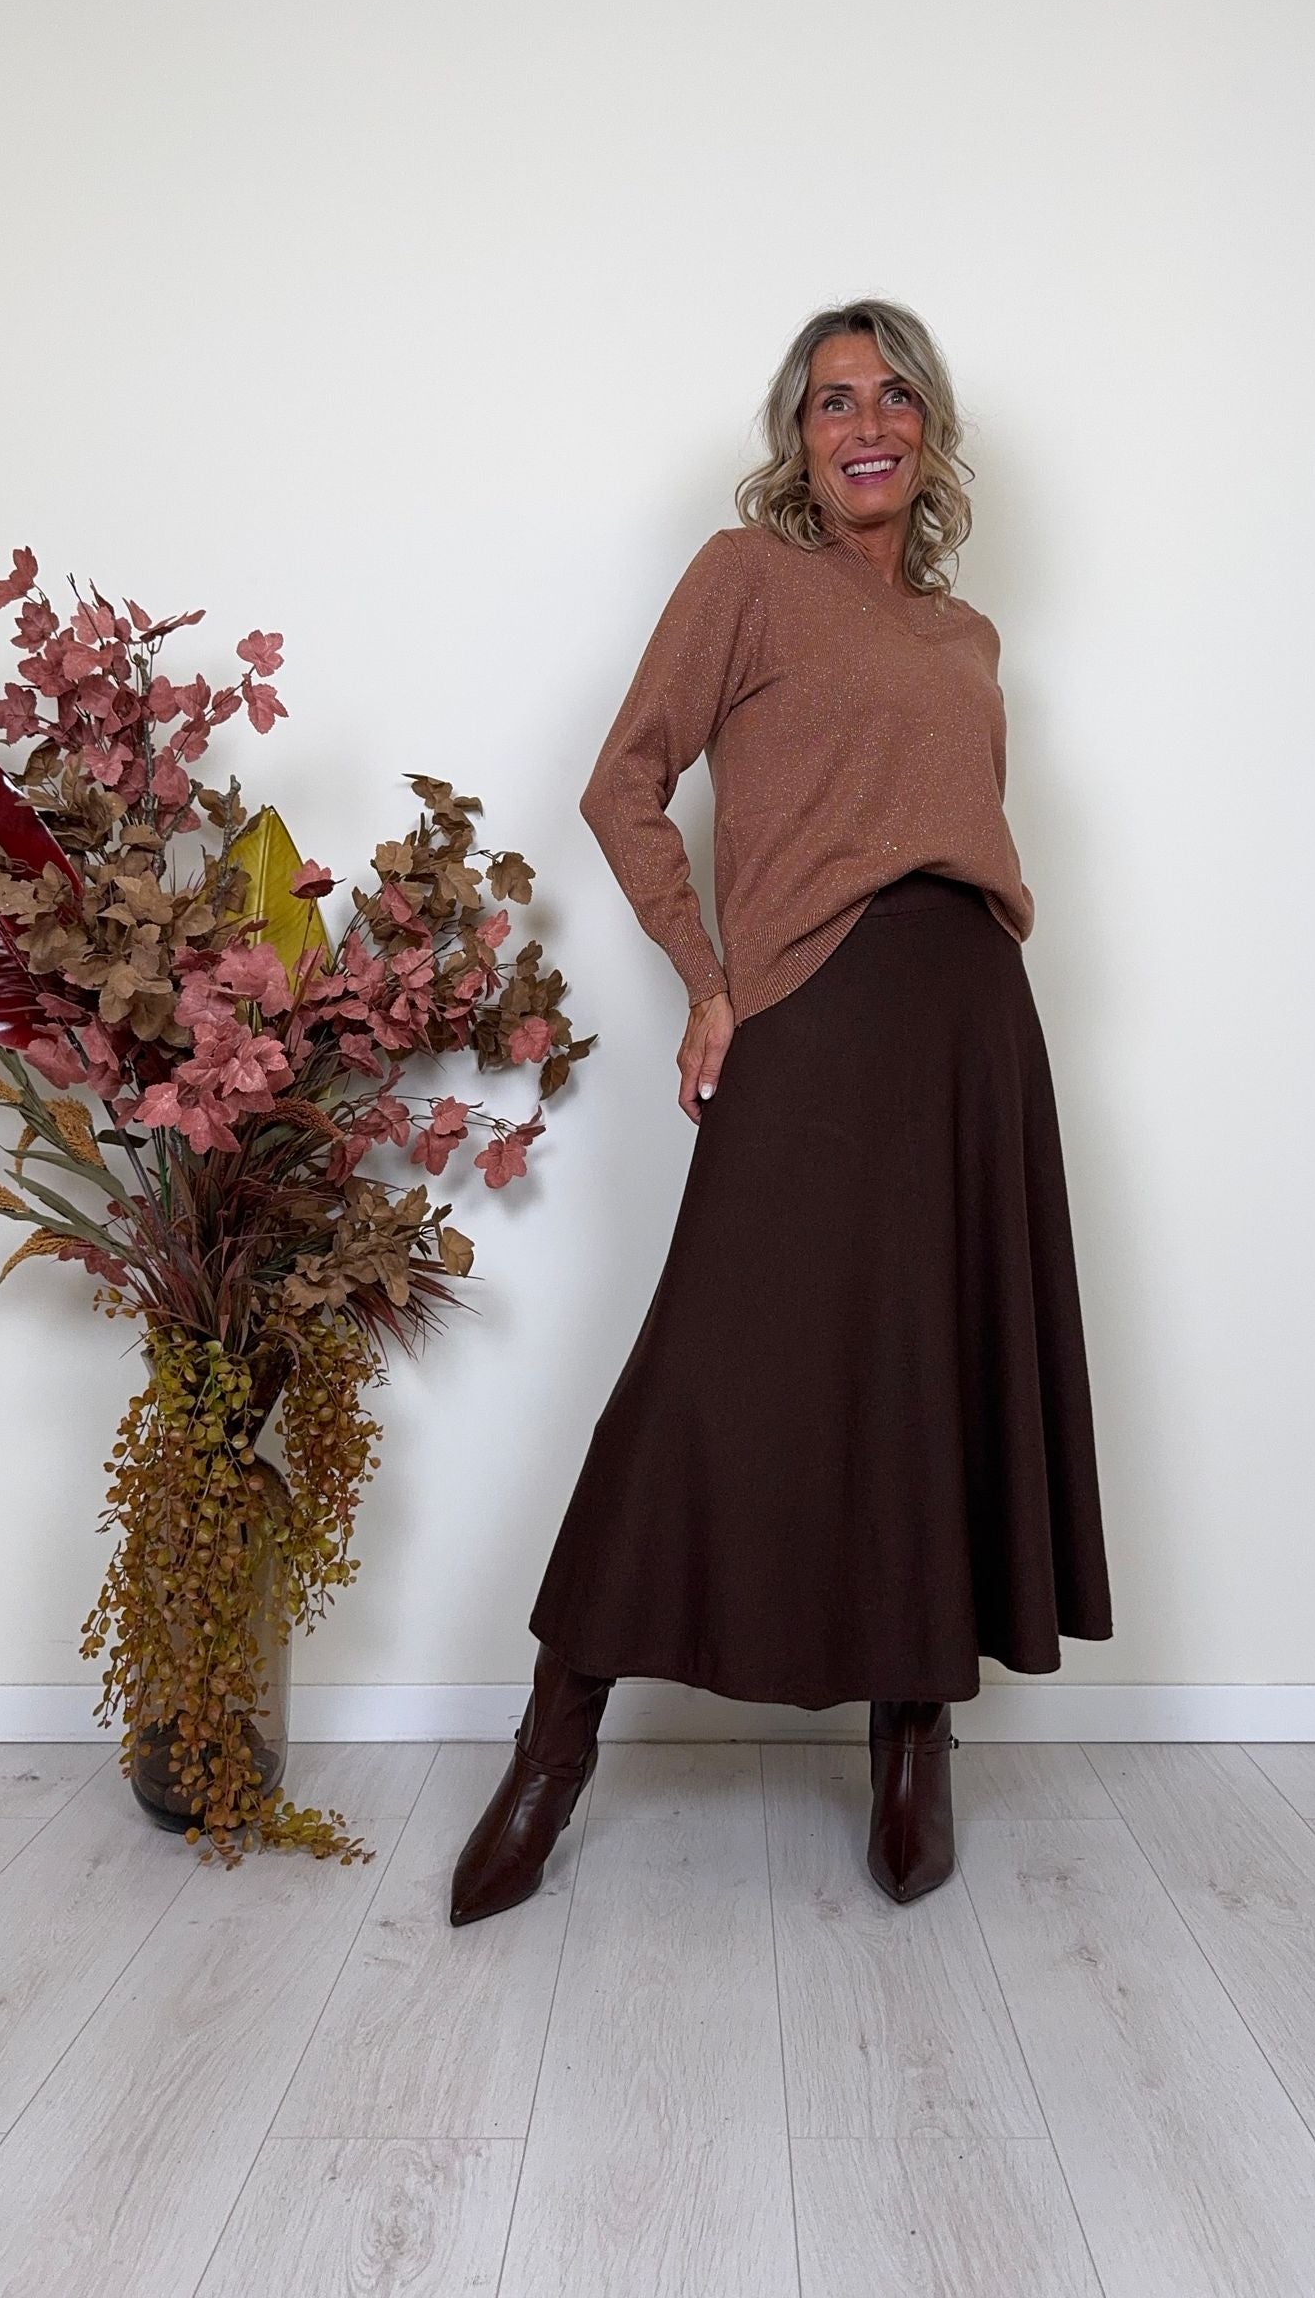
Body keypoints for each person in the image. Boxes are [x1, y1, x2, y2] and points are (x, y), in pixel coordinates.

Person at [449, 296, 1113, 1926]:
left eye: (894, 397)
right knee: (708, 1363)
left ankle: (916, 1734)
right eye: (833, 402)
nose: (865, 423)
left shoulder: (968, 639)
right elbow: (622, 781)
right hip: (813, 1008)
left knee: (932, 1364)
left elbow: (957, 825)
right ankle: (554, 1745)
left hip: (970, 1018)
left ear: (929, 433)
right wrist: (709, 977)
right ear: (797, 440)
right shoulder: (744, 578)